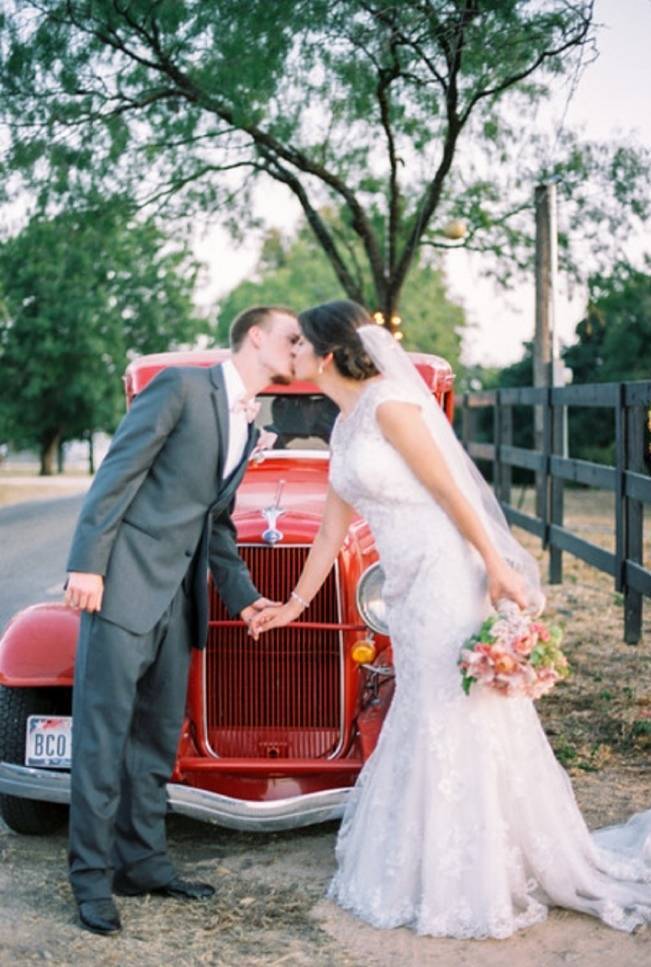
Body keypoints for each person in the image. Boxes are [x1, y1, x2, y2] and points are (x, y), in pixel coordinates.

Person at [250, 300, 651, 939]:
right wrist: (293, 604)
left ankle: (476, 874)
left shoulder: (389, 406)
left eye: (297, 344)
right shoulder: (347, 425)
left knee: (452, 711)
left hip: (445, 575)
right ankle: (429, 859)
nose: (289, 352)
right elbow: (330, 532)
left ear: (324, 355)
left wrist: (496, 566)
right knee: (426, 710)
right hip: (405, 591)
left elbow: (451, 491)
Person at [64, 305, 300, 935]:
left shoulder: (249, 428)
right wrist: (87, 565)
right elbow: (116, 475)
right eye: (291, 337)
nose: (299, 348)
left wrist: (245, 596)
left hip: (181, 600)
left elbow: (213, 523)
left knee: (154, 741)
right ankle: (89, 881)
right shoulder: (181, 387)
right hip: (122, 589)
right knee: (101, 739)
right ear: (256, 337)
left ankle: (140, 864)